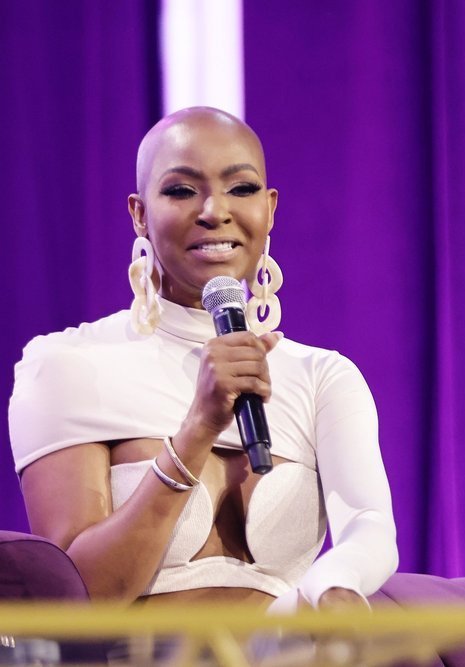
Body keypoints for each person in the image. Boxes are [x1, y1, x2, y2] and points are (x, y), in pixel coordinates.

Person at [8, 107, 397, 613]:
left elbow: (368, 524)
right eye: (181, 190)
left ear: (270, 208)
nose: (215, 210)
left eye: (241, 189)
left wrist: (331, 587)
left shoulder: (323, 377)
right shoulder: (67, 364)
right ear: (139, 213)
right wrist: (198, 426)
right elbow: (83, 597)